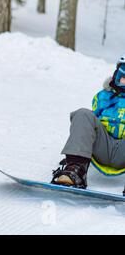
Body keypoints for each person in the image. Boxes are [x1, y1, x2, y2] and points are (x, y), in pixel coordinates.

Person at [52, 55, 125, 188]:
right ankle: (75, 170)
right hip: (104, 145)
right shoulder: (103, 96)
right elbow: (90, 124)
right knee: (83, 114)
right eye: (123, 76)